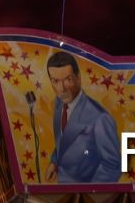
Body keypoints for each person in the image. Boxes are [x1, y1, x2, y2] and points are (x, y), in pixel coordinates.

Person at [44, 50, 120, 185]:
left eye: (68, 79)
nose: (61, 89)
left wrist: (89, 196)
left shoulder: (100, 118)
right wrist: (54, 162)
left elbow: (112, 166)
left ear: (78, 77)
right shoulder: (58, 104)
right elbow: (64, 140)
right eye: (55, 81)